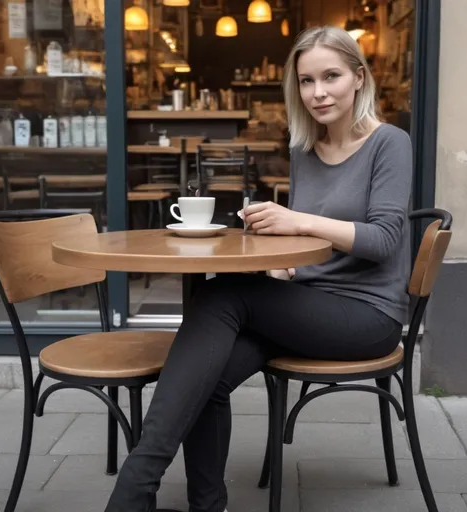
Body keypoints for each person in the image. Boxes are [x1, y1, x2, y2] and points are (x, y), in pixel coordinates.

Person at [104, 25, 413, 512]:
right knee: (207, 374)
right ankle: (205, 504)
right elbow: (310, 247)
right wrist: (280, 265)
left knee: (220, 295)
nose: (318, 92)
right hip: (309, 305)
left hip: (367, 317)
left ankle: (135, 486)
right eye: (306, 81)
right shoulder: (304, 152)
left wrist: (297, 219)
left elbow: (384, 240)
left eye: (330, 76)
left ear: (359, 77)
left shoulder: (389, 143)